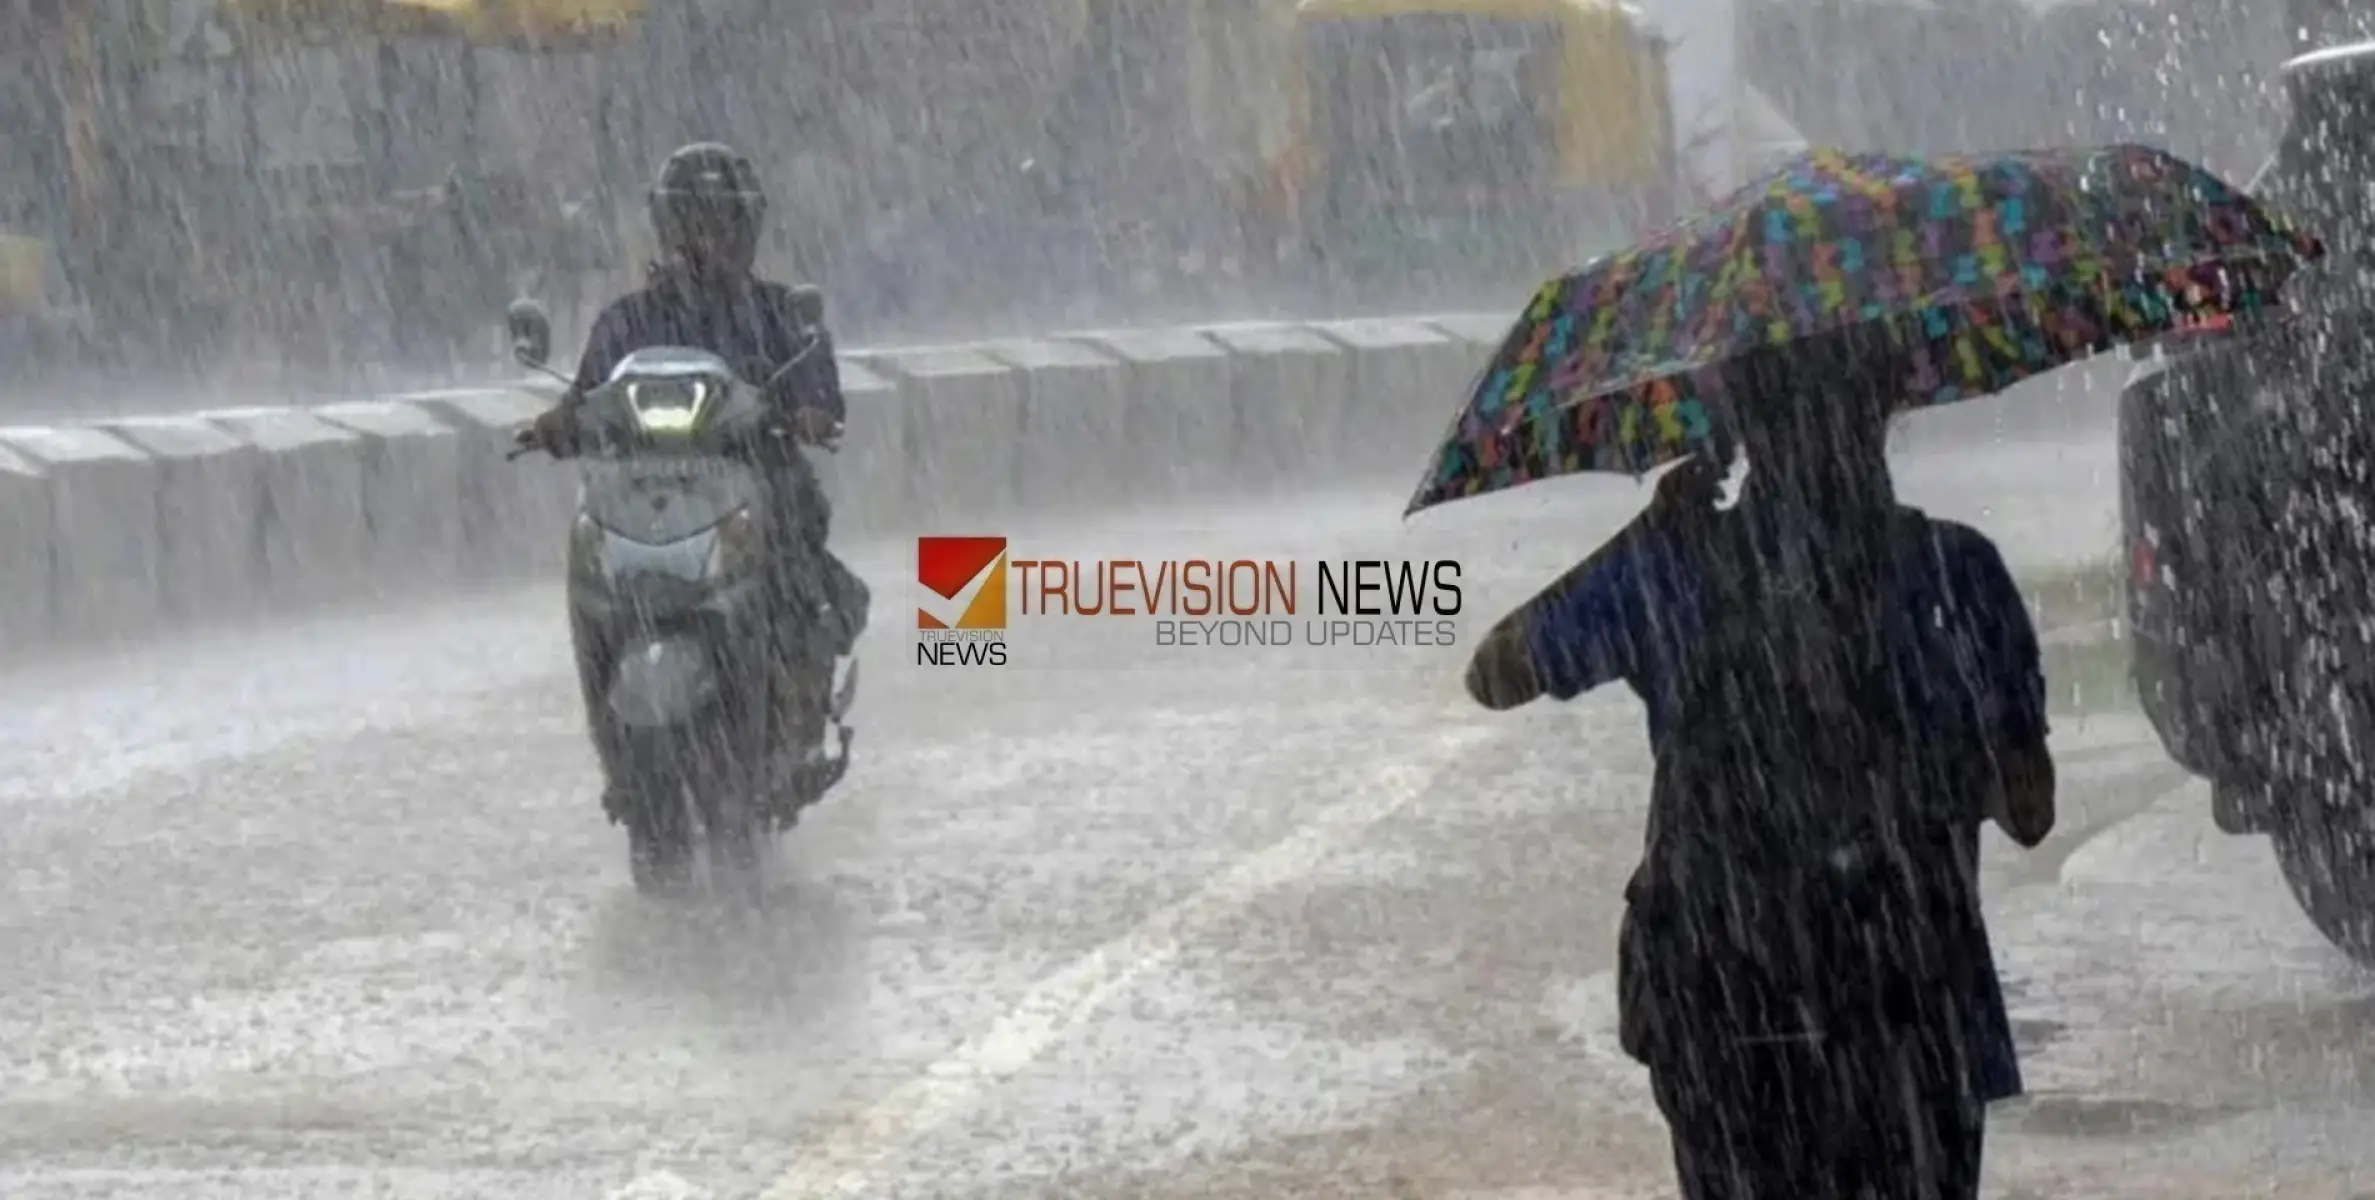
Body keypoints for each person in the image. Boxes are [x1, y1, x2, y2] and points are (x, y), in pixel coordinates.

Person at [1464, 329, 2054, 1199]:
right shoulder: (1953, 574)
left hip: (1723, 1006)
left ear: (1736, 426)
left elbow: (1495, 671)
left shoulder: (1675, 567)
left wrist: (1638, 539)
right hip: (1908, 1008)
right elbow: (2030, 812)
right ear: (1884, 412)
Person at [521, 142, 870, 775]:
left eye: (720, 221)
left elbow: (822, 394)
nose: (705, 238)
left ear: (747, 228)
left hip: (753, 485)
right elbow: (587, 397)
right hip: (642, 498)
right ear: (666, 226)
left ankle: (795, 697)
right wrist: (556, 425)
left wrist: (808, 414)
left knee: (800, 566)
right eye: (691, 221)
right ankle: (612, 719)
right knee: (592, 577)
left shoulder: (778, 316)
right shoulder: (627, 322)